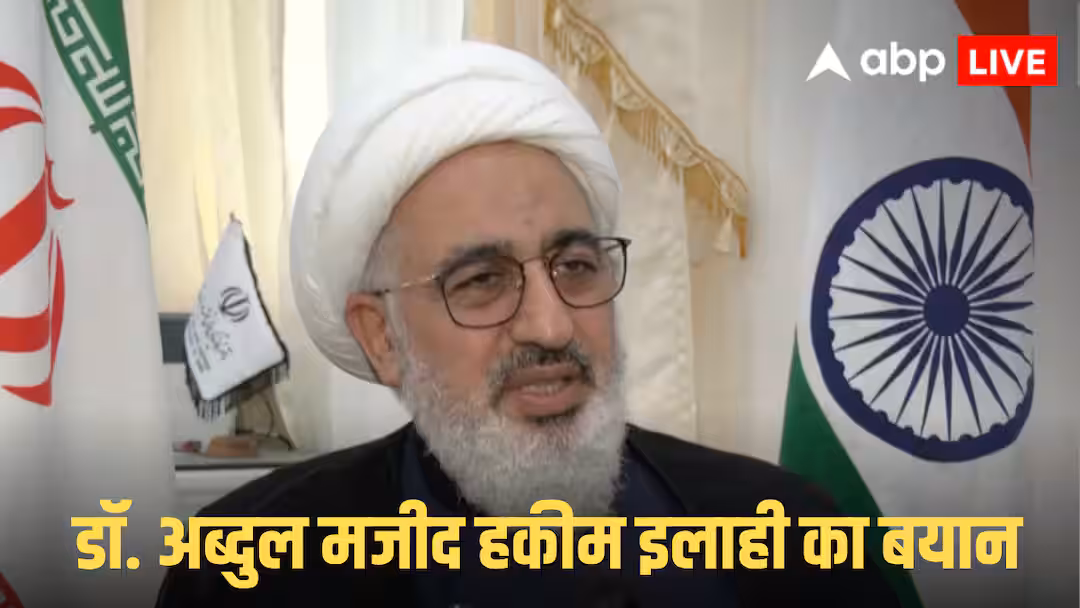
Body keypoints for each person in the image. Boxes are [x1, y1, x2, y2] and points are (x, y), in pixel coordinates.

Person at [156, 42, 900, 608]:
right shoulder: (246, 574)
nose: (550, 325)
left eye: (575, 266)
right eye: (481, 281)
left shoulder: (794, 539)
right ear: (382, 336)